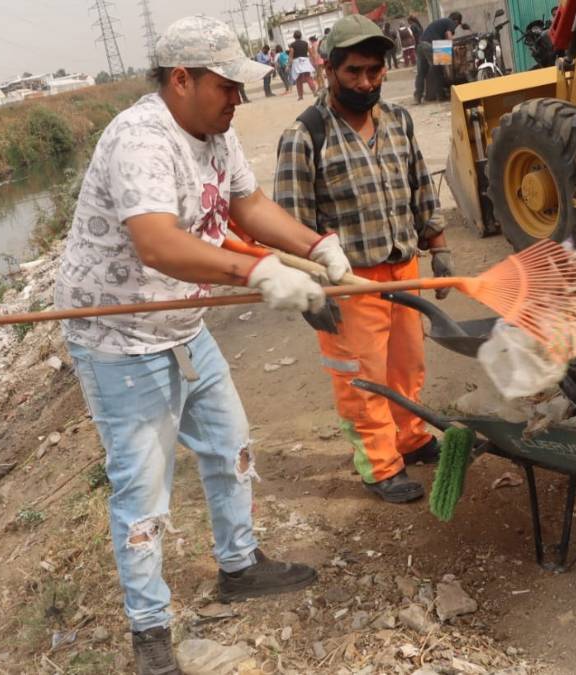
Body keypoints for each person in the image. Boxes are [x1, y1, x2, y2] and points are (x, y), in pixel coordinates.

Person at [55, 15, 352, 674]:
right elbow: (158, 241)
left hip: (181, 323)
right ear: (180, 78)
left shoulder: (214, 134)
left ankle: (239, 564)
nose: (237, 100)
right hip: (119, 335)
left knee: (232, 444)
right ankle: (151, 636)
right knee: (142, 492)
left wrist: (312, 245)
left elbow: (246, 207)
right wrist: (254, 271)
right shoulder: (140, 138)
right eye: (226, 86)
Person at [273, 14, 454, 504]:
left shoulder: (397, 120)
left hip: (403, 269)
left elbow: (419, 186)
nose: (366, 82)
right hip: (349, 282)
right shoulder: (305, 134)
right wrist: (308, 292)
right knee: (362, 378)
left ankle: (410, 438)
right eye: (353, 72)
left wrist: (437, 246)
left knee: (408, 366)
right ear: (328, 69)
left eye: (374, 71)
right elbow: (291, 222)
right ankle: (379, 465)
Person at [415, 10, 460, 103]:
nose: (455, 28)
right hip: (430, 45)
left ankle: (417, 97)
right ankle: (440, 95)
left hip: (421, 45)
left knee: (421, 72)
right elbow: (448, 35)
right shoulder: (450, 22)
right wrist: (453, 46)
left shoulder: (441, 23)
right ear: (456, 21)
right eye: (457, 25)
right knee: (438, 69)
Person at [289, 30, 318, 100]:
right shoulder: (305, 43)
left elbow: (291, 55)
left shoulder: (292, 45)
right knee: (308, 77)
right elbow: (311, 53)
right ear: (301, 36)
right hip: (305, 61)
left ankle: (300, 96)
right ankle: (314, 91)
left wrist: (289, 64)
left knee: (298, 79)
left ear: (294, 37)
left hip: (297, 62)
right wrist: (314, 60)